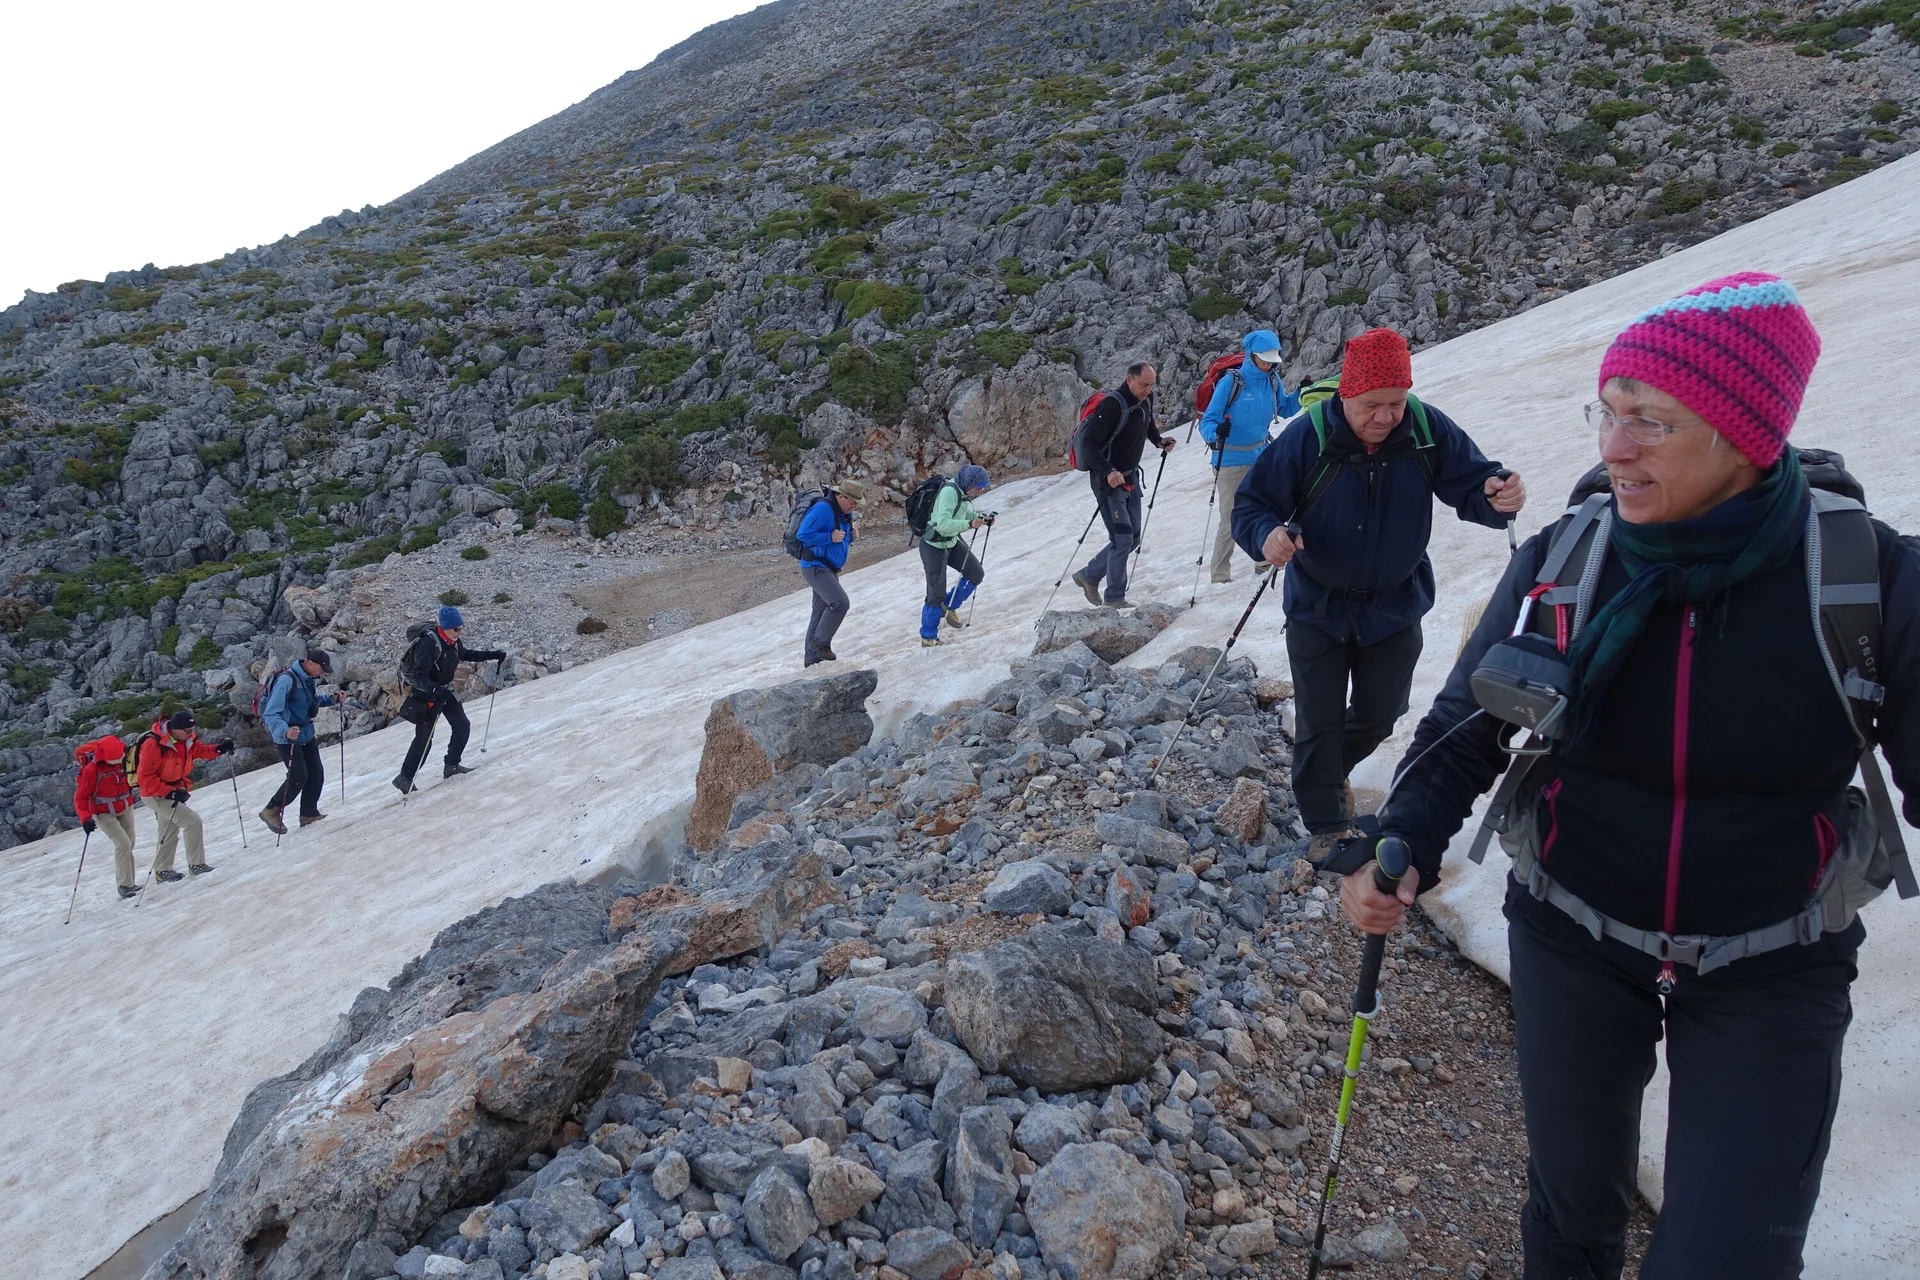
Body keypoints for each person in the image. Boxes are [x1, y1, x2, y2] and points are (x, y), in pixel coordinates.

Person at [1347, 274, 1920, 1278]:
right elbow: (1461, 729)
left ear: (1747, 435)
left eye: (1651, 421)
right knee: (1572, 1220)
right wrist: (1401, 835)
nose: (1613, 448)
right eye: (1608, 413)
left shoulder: (1871, 581)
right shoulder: (1570, 561)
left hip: (1773, 963)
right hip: (1574, 932)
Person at [1232, 327, 1525, 855]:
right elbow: (1253, 505)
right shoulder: (1307, 436)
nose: (1386, 416)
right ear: (1347, 394)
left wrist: (1497, 493)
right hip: (1318, 605)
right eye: (1373, 405)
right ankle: (1325, 823)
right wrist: (1266, 536)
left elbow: (1473, 482)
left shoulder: (1425, 428)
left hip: (1395, 603)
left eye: (1395, 402)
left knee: (1381, 712)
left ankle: (1322, 773)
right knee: (1319, 719)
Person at [1199, 329, 1300, 584]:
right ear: (1251, 355)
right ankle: (1219, 576)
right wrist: (1215, 433)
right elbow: (1208, 421)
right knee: (1232, 519)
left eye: (1271, 358)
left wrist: (1303, 393)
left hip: (1261, 455)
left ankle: (1263, 561)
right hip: (1230, 461)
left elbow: (1285, 408)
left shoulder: (1272, 380)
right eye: (1264, 358)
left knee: (1266, 509)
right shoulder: (1232, 382)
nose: (1268, 363)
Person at [1071, 361, 1175, 607]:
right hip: (1108, 482)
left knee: (1133, 537)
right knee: (1122, 538)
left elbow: (1146, 424)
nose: (1148, 390)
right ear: (1130, 379)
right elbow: (1089, 445)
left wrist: (1159, 441)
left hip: (1130, 477)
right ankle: (1115, 598)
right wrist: (1107, 471)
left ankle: (1089, 575)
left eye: (1151, 385)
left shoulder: (1145, 399)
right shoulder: (1111, 406)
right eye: (1143, 385)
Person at [394, 606, 506, 794]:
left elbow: (465, 654)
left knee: (462, 725)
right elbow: (419, 676)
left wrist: (492, 655)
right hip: (426, 695)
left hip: (444, 691)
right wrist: (435, 689)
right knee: (424, 738)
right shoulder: (429, 644)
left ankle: (452, 766)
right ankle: (404, 777)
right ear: (444, 627)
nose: (460, 632)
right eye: (457, 629)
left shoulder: (452, 640)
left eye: (461, 627)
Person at [135, 709, 231, 881]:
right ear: (175, 728)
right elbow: (145, 777)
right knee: (192, 822)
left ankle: (162, 870)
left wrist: (219, 749)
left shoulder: (185, 740)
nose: (191, 734)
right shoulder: (154, 744)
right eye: (187, 731)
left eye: (192, 730)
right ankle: (196, 864)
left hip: (173, 791)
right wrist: (170, 792)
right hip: (155, 794)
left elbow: (199, 750)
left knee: (169, 829)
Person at [258, 647, 337, 834]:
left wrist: (332, 699)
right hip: (289, 737)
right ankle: (271, 810)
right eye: (321, 669)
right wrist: (285, 731)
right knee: (298, 777)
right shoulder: (287, 680)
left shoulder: (307, 679)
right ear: (310, 663)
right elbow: (271, 712)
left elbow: (312, 700)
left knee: (316, 773)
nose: (322, 673)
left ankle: (309, 813)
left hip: (305, 733)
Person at [918, 464, 993, 647]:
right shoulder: (949, 492)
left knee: (976, 574)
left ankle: (949, 605)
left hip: (950, 542)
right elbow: (943, 523)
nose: (979, 490)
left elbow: (963, 512)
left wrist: (981, 518)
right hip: (933, 545)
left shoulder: (961, 492)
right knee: (935, 594)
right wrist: (969, 524)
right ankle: (928, 637)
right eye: (978, 487)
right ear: (970, 483)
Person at [795, 478, 866, 667]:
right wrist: (829, 537)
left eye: (856, 503)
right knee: (840, 603)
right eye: (852, 501)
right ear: (841, 496)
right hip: (816, 566)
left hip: (827, 567)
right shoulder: (824, 509)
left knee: (819, 612)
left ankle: (812, 660)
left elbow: (839, 535)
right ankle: (820, 644)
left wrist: (851, 535)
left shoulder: (842, 511)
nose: (853, 505)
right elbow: (803, 534)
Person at [73, 734, 140, 900]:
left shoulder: (124, 759)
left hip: (125, 806)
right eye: (114, 760)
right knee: (123, 844)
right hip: (103, 813)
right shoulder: (90, 771)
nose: (118, 763)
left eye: (120, 759)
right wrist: (85, 819)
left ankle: (130, 883)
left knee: (129, 844)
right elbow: (80, 797)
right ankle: (124, 886)